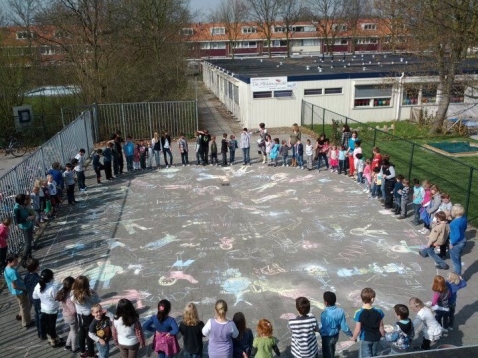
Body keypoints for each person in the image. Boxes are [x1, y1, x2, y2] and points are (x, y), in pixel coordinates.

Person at [71, 275, 100, 358]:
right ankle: (91, 354)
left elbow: (72, 299)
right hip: (88, 316)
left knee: (82, 332)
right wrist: (95, 293)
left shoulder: (73, 293)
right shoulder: (87, 295)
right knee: (90, 334)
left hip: (80, 315)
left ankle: (83, 352)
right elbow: (97, 301)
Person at [33, 268, 63, 348]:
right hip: (52, 309)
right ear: (51, 278)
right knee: (52, 325)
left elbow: (34, 296)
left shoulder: (38, 285)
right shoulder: (52, 288)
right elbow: (56, 298)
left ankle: (51, 337)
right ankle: (54, 341)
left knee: (48, 324)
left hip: (44, 308)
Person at [351, 287, 385, 357]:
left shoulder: (359, 312)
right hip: (376, 338)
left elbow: (358, 329)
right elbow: (381, 326)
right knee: (374, 355)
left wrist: (353, 338)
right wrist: (383, 335)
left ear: (362, 299)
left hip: (365, 338)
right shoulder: (379, 311)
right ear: (372, 299)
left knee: (365, 355)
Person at [319, 291, 352, 358]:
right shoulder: (340, 311)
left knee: (327, 353)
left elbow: (324, 328)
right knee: (332, 349)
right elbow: (344, 327)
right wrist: (350, 335)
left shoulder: (324, 314)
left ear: (326, 302)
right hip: (336, 335)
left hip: (327, 337)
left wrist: (317, 329)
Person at [4, 254, 32, 328]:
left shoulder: (7, 269)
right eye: (15, 261)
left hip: (16, 291)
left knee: (22, 305)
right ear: (9, 262)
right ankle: (26, 322)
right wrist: (25, 289)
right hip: (20, 291)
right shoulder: (12, 272)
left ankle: (20, 315)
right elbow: (15, 286)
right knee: (25, 307)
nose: (17, 262)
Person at [24, 258, 46, 340]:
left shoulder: (26, 276)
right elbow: (41, 289)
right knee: (41, 315)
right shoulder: (37, 278)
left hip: (31, 297)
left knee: (37, 314)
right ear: (36, 267)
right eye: (38, 265)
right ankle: (42, 333)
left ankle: (39, 330)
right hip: (37, 299)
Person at [56, 276, 79, 353]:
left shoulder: (63, 293)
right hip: (71, 317)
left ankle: (68, 344)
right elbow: (73, 310)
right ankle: (74, 347)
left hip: (66, 316)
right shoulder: (69, 296)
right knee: (75, 332)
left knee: (72, 330)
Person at [13, 194, 35, 267]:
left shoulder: (22, 205)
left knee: (30, 240)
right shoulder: (17, 208)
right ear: (21, 200)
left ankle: (29, 256)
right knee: (27, 243)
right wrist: (27, 218)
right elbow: (17, 220)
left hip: (29, 224)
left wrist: (30, 216)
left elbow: (26, 211)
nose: (26, 200)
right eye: (24, 199)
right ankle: (24, 259)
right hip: (24, 226)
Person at [449, 204, 467, 276]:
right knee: (458, 258)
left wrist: (452, 243)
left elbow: (457, 235)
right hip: (462, 241)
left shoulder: (454, 223)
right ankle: (458, 275)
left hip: (456, 243)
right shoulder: (463, 218)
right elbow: (464, 228)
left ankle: (457, 276)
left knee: (455, 261)